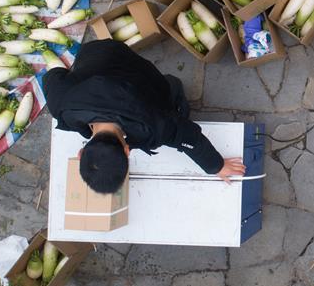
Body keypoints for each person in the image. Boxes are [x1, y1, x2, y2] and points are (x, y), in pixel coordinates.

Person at [42, 39, 245, 193]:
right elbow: (53, 76)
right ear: (80, 154)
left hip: (125, 63)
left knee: (169, 90)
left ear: (127, 150)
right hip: (95, 52)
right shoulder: (62, 106)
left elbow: (190, 138)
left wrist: (217, 166)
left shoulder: (156, 125)